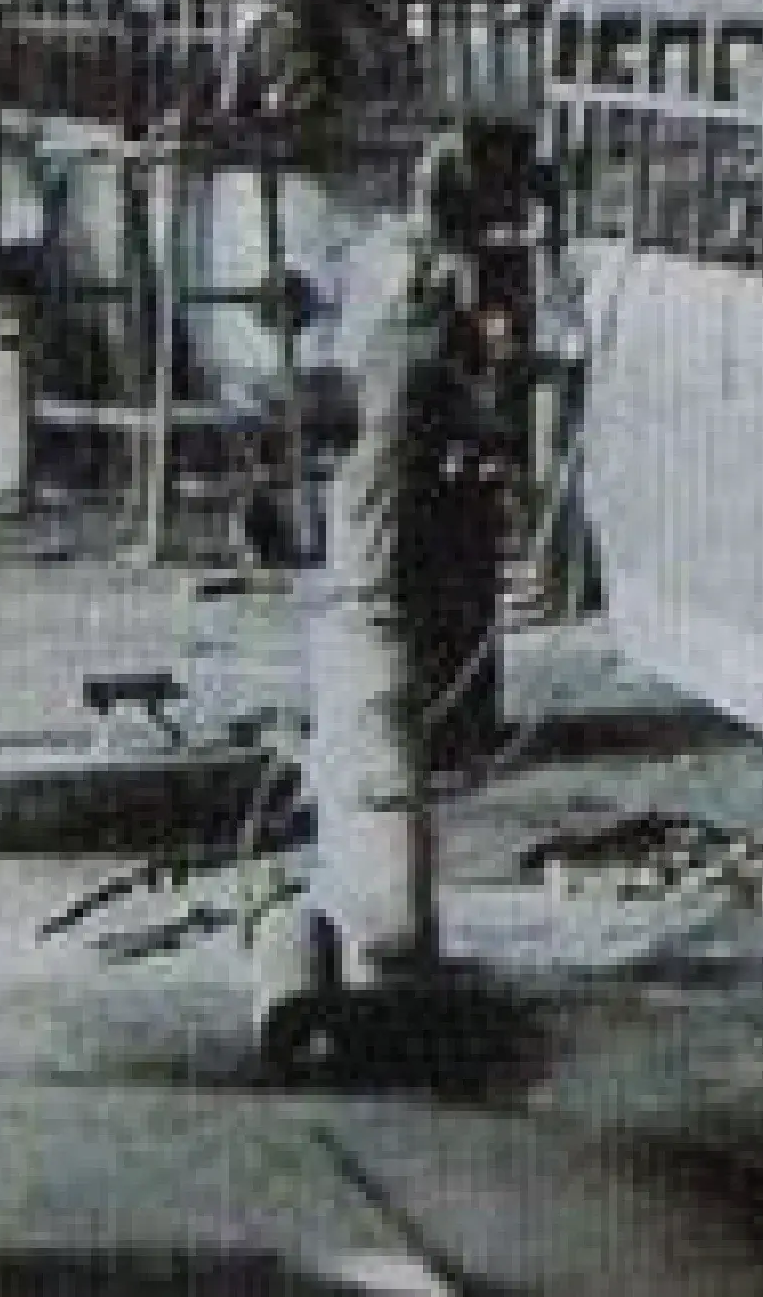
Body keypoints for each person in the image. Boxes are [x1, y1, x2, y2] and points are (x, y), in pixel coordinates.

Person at [300, 132, 498, 985]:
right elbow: (464, 396)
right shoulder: (423, 316)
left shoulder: (389, 279)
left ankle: (387, 906)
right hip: (393, 506)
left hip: (380, 497)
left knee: (390, 638)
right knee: (391, 653)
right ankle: (391, 926)